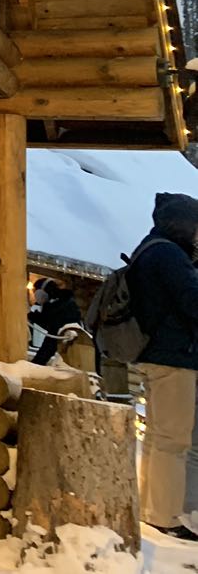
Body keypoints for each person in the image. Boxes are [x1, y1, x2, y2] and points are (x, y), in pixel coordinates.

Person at [127, 192, 198, 539]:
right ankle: (166, 516)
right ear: (181, 223)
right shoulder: (170, 255)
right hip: (174, 356)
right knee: (173, 439)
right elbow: (192, 300)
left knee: (157, 437)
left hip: (153, 354)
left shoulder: (149, 249)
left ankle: (151, 509)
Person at [29, 278, 83, 365]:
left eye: (36, 291)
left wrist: (31, 316)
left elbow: (48, 322)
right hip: (65, 336)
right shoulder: (62, 300)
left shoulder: (60, 305)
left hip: (67, 337)